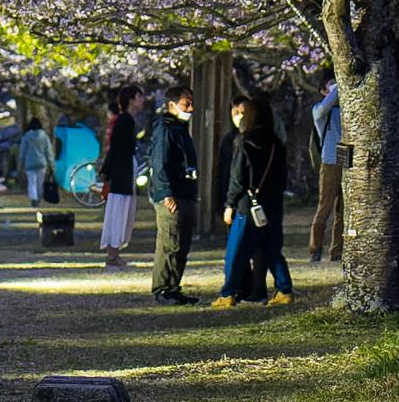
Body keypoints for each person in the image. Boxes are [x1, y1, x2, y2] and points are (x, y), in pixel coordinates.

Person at [213, 96, 296, 308]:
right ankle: (284, 289)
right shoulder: (276, 143)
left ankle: (228, 293)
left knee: (235, 251)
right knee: (271, 249)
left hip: (248, 205)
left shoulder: (244, 141)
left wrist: (229, 204)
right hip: (272, 204)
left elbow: (238, 177)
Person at [146, 85, 200, 305]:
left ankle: (174, 286)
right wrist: (166, 193)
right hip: (172, 195)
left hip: (185, 192)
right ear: (171, 105)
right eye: (186, 103)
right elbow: (160, 163)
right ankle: (163, 288)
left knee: (182, 243)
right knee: (170, 243)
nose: (190, 108)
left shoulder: (180, 129)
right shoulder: (165, 129)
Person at [98, 85, 145, 269]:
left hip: (123, 169)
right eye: (139, 96)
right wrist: (108, 172)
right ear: (131, 99)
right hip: (122, 170)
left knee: (121, 208)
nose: (142, 99)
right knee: (119, 209)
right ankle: (112, 253)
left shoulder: (126, 120)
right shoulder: (125, 121)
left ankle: (114, 252)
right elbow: (116, 148)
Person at [311, 73, 345, 263]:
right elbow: (326, 106)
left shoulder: (345, 110)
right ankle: (315, 249)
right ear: (323, 91)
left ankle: (337, 250)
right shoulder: (319, 111)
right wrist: (339, 84)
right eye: (330, 85)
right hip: (330, 162)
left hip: (346, 161)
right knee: (325, 207)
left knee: (343, 210)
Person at [19, 115, 53, 206]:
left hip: (29, 162)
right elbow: (48, 151)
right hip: (42, 162)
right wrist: (51, 164)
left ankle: (33, 198)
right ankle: (39, 197)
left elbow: (22, 151)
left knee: (32, 182)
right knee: (40, 182)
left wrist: (20, 163)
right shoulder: (44, 136)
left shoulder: (27, 136)